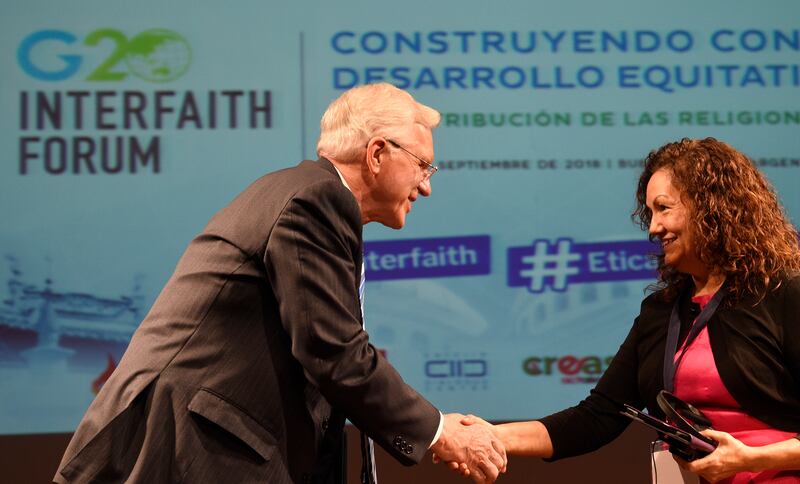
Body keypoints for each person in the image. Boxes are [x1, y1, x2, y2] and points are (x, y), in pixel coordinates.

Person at [53, 83, 506, 484]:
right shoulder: (316, 201)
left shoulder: (307, 196)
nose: (426, 187)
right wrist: (439, 432)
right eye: (423, 166)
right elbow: (335, 353)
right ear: (376, 154)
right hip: (185, 451)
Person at [439, 138, 800, 483]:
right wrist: (488, 435)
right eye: (650, 212)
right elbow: (596, 418)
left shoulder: (784, 293)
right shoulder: (661, 312)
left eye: (664, 208)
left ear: (711, 208)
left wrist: (754, 458)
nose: (653, 227)